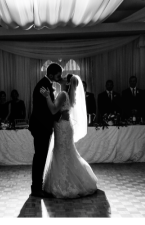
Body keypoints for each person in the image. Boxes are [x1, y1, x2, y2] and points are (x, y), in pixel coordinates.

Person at [39, 74, 99, 198]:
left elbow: (53, 110)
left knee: (61, 153)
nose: (61, 77)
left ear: (67, 83)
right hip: (65, 126)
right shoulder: (69, 95)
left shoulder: (63, 95)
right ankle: (72, 180)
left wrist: (46, 97)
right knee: (66, 152)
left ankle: (64, 184)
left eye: (64, 78)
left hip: (62, 127)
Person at [29, 63, 63, 198]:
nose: (60, 77)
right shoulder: (43, 86)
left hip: (42, 126)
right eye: (58, 75)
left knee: (40, 156)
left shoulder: (46, 84)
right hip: (41, 126)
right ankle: (36, 188)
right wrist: (60, 116)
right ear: (50, 75)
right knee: (40, 157)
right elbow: (45, 109)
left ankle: (37, 186)